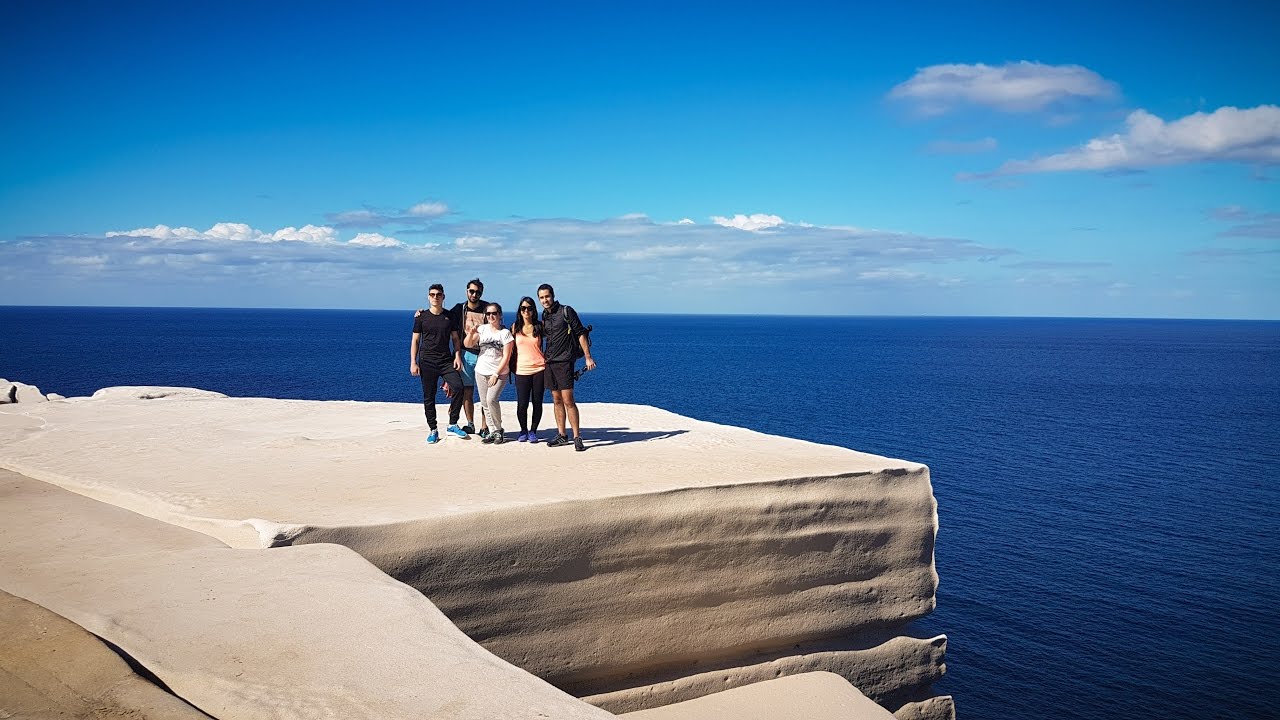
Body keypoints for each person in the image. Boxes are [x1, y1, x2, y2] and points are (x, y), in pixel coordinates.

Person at [537, 283, 596, 451]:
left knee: (568, 400)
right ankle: (562, 435)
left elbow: (580, 333)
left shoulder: (566, 311)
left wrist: (588, 357)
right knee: (556, 400)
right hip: (549, 362)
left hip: (565, 362)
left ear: (553, 295)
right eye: (541, 297)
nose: (545, 300)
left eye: (547, 296)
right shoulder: (545, 315)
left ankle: (577, 437)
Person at [410, 284, 468, 443]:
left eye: (438, 294)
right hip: (426, 361)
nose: (435, 297)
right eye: (432, 294)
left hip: (445, 361)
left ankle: (452, 424)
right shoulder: (421, 317)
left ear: (443, 297)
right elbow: (415, 340)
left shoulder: (449, 316)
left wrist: (457, 356)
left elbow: (456, 339)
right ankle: (433, 429)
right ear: (428, 297)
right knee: (429, 396)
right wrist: (413, 362)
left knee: (458, 387)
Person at [465, 302, 513, 445]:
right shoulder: (482, 329)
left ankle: (499, 430)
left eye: (494, 313)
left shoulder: (505, 334)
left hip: (498, 373)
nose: (491, 316)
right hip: (481, 371)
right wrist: (472, 333)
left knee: (492, 400)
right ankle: (492, 431)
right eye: (488, 314)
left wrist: (496, 374)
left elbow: (506, 356)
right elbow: (467, 344)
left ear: (500, 315)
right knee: (485, 402)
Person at [450, 278, 489, 437]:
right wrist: (422, 313)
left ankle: (485, 427)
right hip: (466, 354)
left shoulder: (487, 308)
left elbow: (497, 323)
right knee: (467, 391)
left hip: (484, 355)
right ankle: (470, 424)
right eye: (472, 291)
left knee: (484, 394)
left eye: (477, 292)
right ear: (467, 291)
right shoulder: (459, 309)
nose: (474, 294)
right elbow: (441, 316)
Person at [510, 296, 546, 443]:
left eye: (529, 308)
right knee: (522, 404)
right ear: (520, 310)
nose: (526, 311)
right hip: (521, 370)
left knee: (537, 402)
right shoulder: (514, 327)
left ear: (533, 310)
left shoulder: (540, 326)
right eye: (523, 308)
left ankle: (533, 431)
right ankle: (523, 430)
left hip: (539, 369)